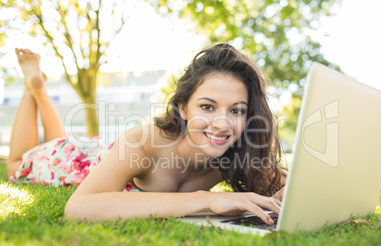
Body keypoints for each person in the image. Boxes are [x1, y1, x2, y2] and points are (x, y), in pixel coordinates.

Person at [7, 44, 286, 225]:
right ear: (182, 107)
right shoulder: (144, 141)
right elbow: (78, 208)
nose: (222, 125)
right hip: (78, 159)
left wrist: (286, 194)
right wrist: (207, 199)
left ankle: (39, 90)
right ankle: (36, 90)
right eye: (207, 107)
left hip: (105, 149)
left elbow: (291, 182)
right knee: (18, 162)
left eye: (236, 111)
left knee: (54, 138)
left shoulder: (234, 153)